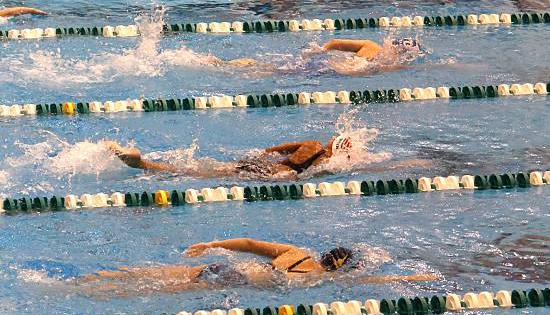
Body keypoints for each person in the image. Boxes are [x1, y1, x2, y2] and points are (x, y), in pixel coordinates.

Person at [77, 237, 436, 293]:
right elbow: (370, 282)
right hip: (234, 281)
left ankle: (82, 282)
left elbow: (248, 243)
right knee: (153, 292)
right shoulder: (320, 279)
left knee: (145, 275)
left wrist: (211, 244)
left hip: (221, 265)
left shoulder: (295, 252)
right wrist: (413, 276)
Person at [103, 137, 430, 180]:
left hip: (260, 164)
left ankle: (145, 163)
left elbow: (274, 150)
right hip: (273, 176)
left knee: (201, 168)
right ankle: (142, 165)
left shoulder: (313, 144)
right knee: (199, 175)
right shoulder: (325, 163)